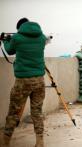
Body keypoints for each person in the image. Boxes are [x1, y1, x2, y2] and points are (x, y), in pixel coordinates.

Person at [1, 18, 47, 147]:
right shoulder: (42, 37)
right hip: (39, 80)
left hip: (23, 81)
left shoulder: (17, 38)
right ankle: (40, 141)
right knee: (37, 111)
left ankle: (5, 141)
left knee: (14, 112)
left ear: (20, 28)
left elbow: (10, 50)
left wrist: (6, 40)